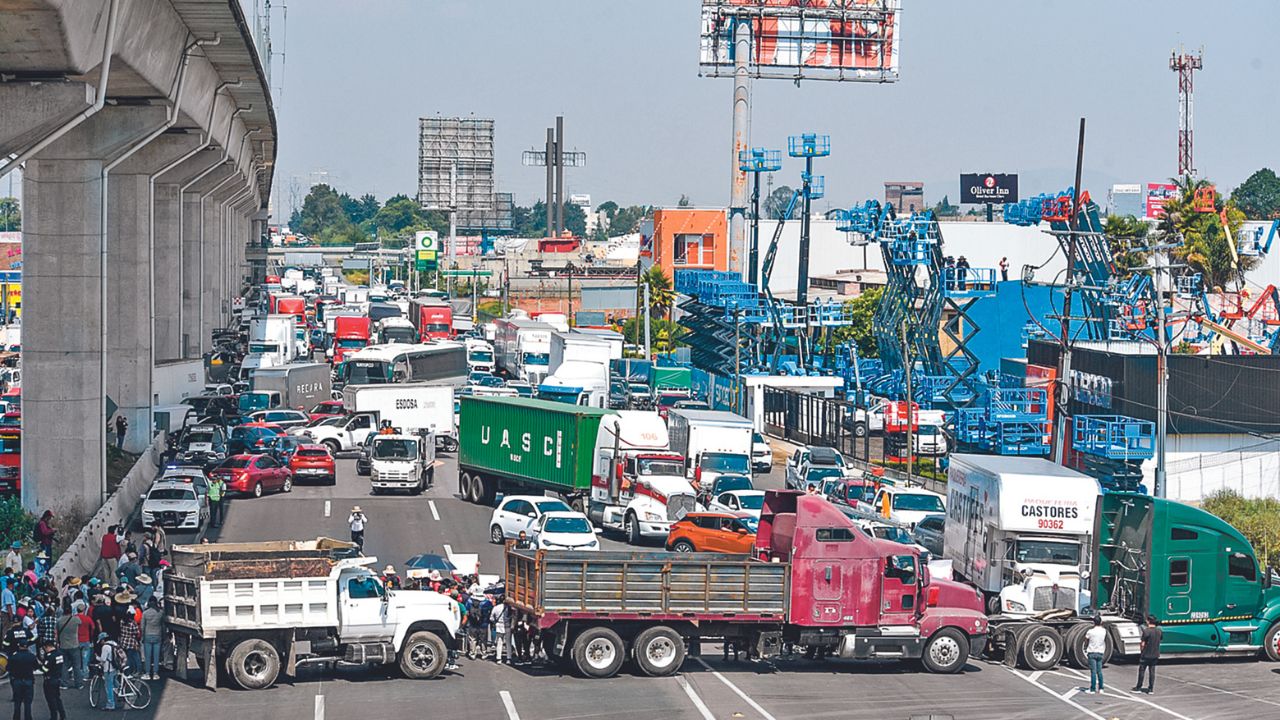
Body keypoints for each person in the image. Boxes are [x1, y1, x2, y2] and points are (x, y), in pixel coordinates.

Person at [7, 634, 36, 720]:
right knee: (28, 703)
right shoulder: (31, 656)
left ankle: (16, 718)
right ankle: (28, 717)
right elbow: (36, 667)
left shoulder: (14, 656)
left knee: (17, 702)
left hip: (17, 681)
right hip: (28, 680)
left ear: (19, 646)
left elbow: (8, 668)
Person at [37, 638, 66, 720]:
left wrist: (39, 665)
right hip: (57, 678)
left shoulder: (50, 656)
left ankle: (54, 717)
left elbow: (45, 669)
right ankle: (62, 715)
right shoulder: (59, 654)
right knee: (57, 698)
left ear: (47, 647)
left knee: (51, 700)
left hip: (49, 680)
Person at [1134, 615, 1161, 694]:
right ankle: (1151, 688)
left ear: (1148, 621)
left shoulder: (1146, 631)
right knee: (1152, 671)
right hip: (1155, 654)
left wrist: (1141, 651)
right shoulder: (1159, 631)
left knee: (1142, 671)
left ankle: (1139, 687)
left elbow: (1142, 644)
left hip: (1146, 654)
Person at [96, 632, 122, 711]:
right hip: (115, 667)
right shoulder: (114, 644)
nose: (100, 643)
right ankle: (121, 694)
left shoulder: (105, 647)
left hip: (108, 668)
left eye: (101, 641)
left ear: (103, 640)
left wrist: (97, 658)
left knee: (108, 686)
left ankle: (110, 704)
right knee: (115, 682)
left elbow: (103, 659)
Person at [140, 598, 163, 680]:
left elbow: (142, 626)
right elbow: (163, 625)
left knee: (148, 656)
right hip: (158, 635)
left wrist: (142, 636)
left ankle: (147, 673)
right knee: (156, 656)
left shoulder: (145, 613)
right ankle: (156, 673)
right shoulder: (160, 613)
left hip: (147, 635)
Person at [1084, 615, 1107, 694]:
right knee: (1099, 671)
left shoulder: (1090, 631)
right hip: (1100, 652)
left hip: (1092, 651)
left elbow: (1086, 640)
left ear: (1093, 622)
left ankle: (1093, 689)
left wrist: (1086, 647)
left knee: (1093, 672)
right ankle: (1101, 688)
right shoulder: (1104, 631)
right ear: (1101, 622)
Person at [491, 597, 510, 664]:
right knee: (508, 642)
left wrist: (495, 622)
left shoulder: (496, 608)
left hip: (499, 625)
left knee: (499, 642)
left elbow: (491, 618)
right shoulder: (509, 608)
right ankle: (508, 658)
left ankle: (498, 658)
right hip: (508, 626)